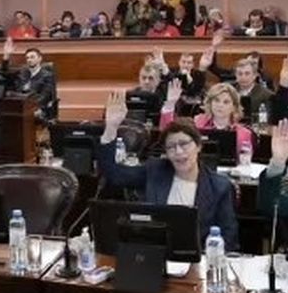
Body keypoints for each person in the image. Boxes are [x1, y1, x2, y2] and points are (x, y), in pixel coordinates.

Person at [98, 92, 239, 250]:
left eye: (184, 144)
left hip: (198, 261)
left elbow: (229, 237)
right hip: (155, 255)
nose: (178, 152)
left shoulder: (219, 186)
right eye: (171, 147)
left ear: (198, 146)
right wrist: (111, 128)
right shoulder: (155, 170)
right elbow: (114, 174)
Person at [161, 80, 253, 157]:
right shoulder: (197, 123)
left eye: (226, 102)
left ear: (234, 107)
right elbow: (171, 133)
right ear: (210, 103)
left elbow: (245, 161)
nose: (220, 105)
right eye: (216, 100)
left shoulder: (244, 133)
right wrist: (170, 104)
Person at [0, 41, 57, 120]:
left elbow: (45, 96)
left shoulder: (47, 76)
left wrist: (29, 106)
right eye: (27, 58)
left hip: (36, 107)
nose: (29, 60)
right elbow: (4, 72)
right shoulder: (22, 72)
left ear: (40, 58)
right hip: (19, 104)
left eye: (32, 57)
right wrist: (6, 55)